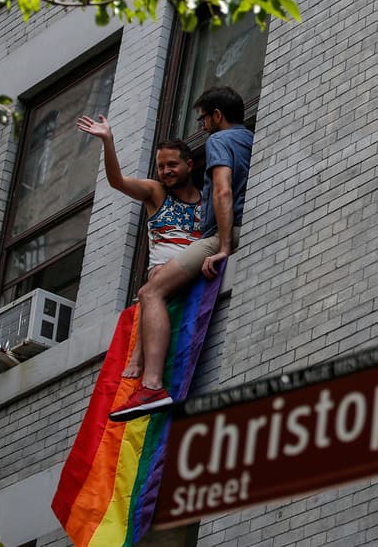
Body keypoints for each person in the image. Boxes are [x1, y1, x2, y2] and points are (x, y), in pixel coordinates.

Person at [109, 87, 254, 421]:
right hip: (245, 227)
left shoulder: (220, 141)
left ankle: (152, 386)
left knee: (151, 291)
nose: (203, 127)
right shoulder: (249, 139)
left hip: (224, 233)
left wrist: (223, 246)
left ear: (217, 116)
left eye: (204, 118)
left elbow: (222, 189)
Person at [76, 116, 202, 378]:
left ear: (189, 165)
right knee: (155, 279)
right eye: (161, 166)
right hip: (163, 272)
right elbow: (117, 181)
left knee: (153, 285)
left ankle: (139, 359)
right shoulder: (156, 192)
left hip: (193, 268)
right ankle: (139, 359)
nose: (165, 171)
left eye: (172, 165)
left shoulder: (206, 199)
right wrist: (108, 141)